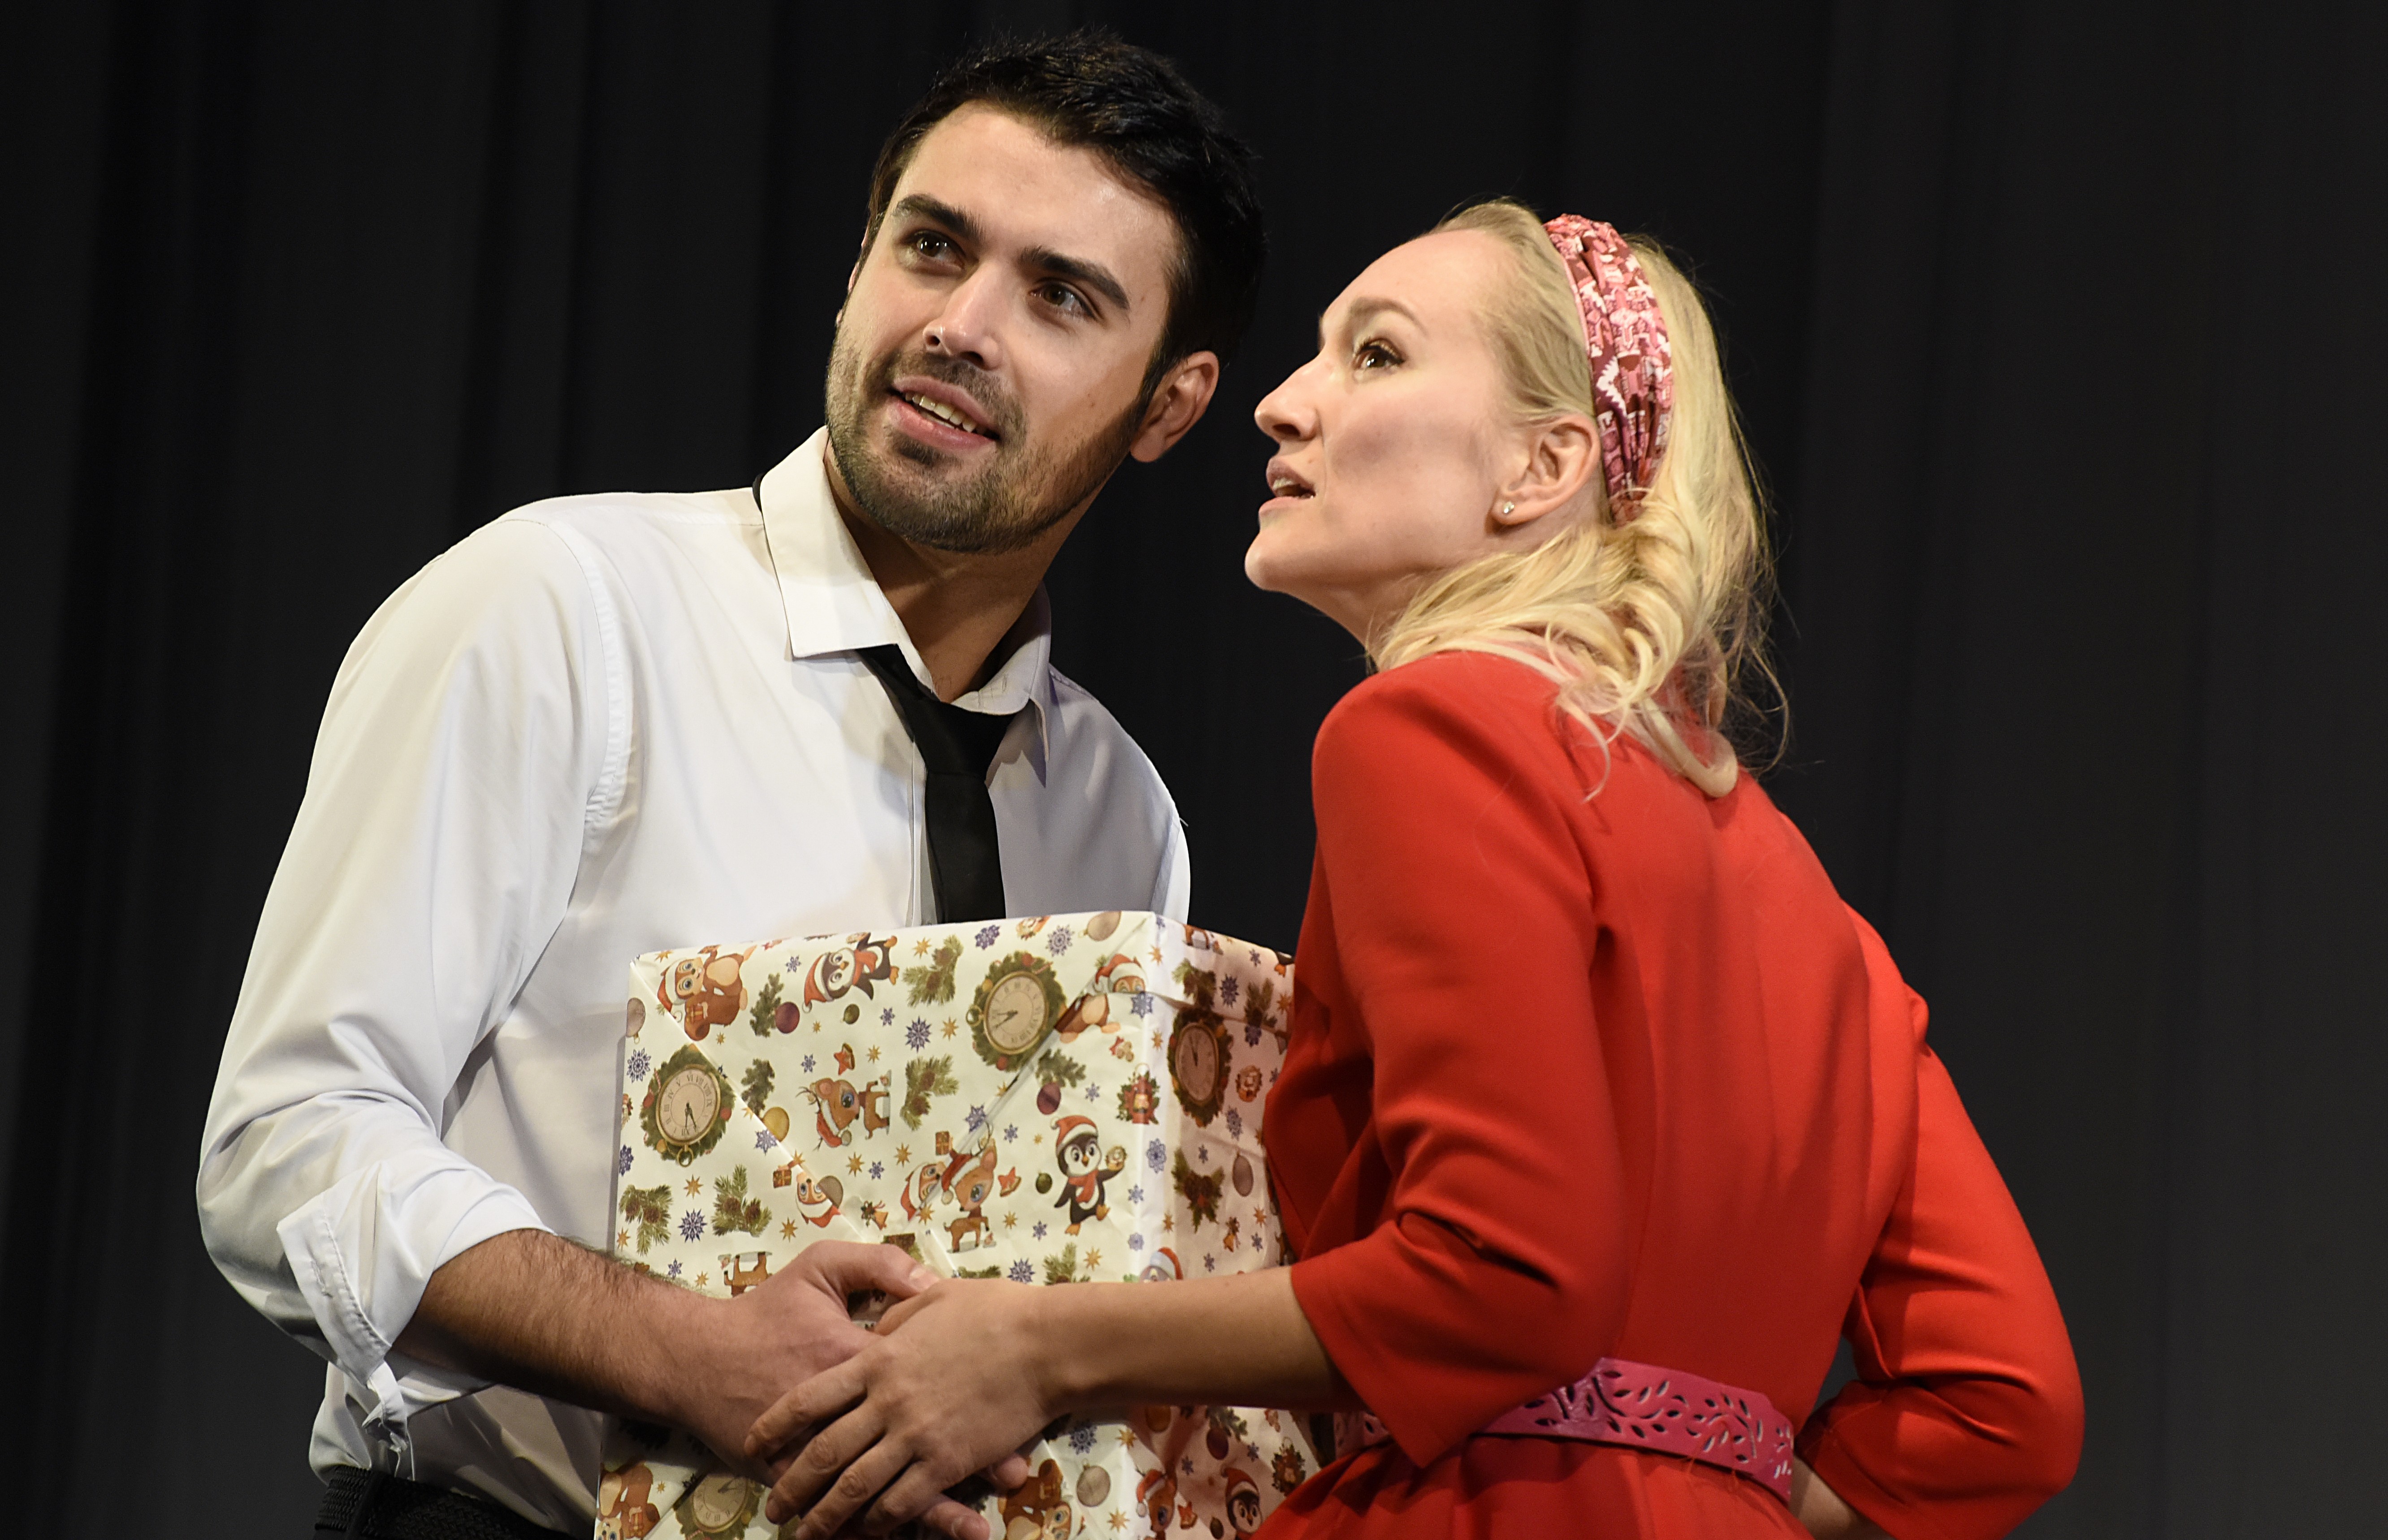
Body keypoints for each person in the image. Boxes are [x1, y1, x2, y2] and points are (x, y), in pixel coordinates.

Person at [745, 203, 2085, 1540]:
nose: (1281, 404)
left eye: (1376, 354)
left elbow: (1509, 1275)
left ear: (1541, 467)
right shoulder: (1814, 910)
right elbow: (2006, 1406)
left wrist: (1038, 1347)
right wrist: (1702, 1476)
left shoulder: (1433, 726)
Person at [195, 34, 1265, 1540]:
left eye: (1061, 297)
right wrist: (685, 1353)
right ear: (856, 266)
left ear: (1169, 406)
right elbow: (287, 1150)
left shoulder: (1120, 815)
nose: (960, 326)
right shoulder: (564, 609)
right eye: (932, 246)